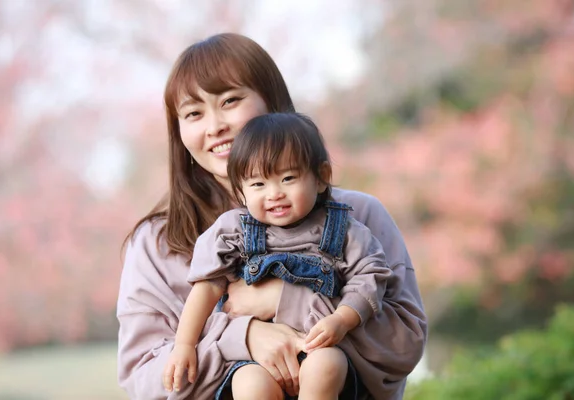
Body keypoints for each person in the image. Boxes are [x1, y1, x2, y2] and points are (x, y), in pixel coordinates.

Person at [117, 32, 427, 400]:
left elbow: (405, 344)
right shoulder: (156, 244)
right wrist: (242, 336)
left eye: (230, 100)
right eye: (194, 113)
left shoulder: (358, 216)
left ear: (273, 103)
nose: (214, 125)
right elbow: (145, 380)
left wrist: (287, 301)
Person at [163, 112, 394, 399]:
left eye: (287, 178)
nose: (274, 193)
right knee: (249, 384)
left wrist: (341, 321)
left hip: (320, 347)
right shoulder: (235, 231)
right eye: (258, 184)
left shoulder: (345, 232)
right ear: (241, 191)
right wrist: (184, 344)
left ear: (321, 178)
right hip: (256, 358)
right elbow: (207, 286)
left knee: (326, 366)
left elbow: (369, 280)